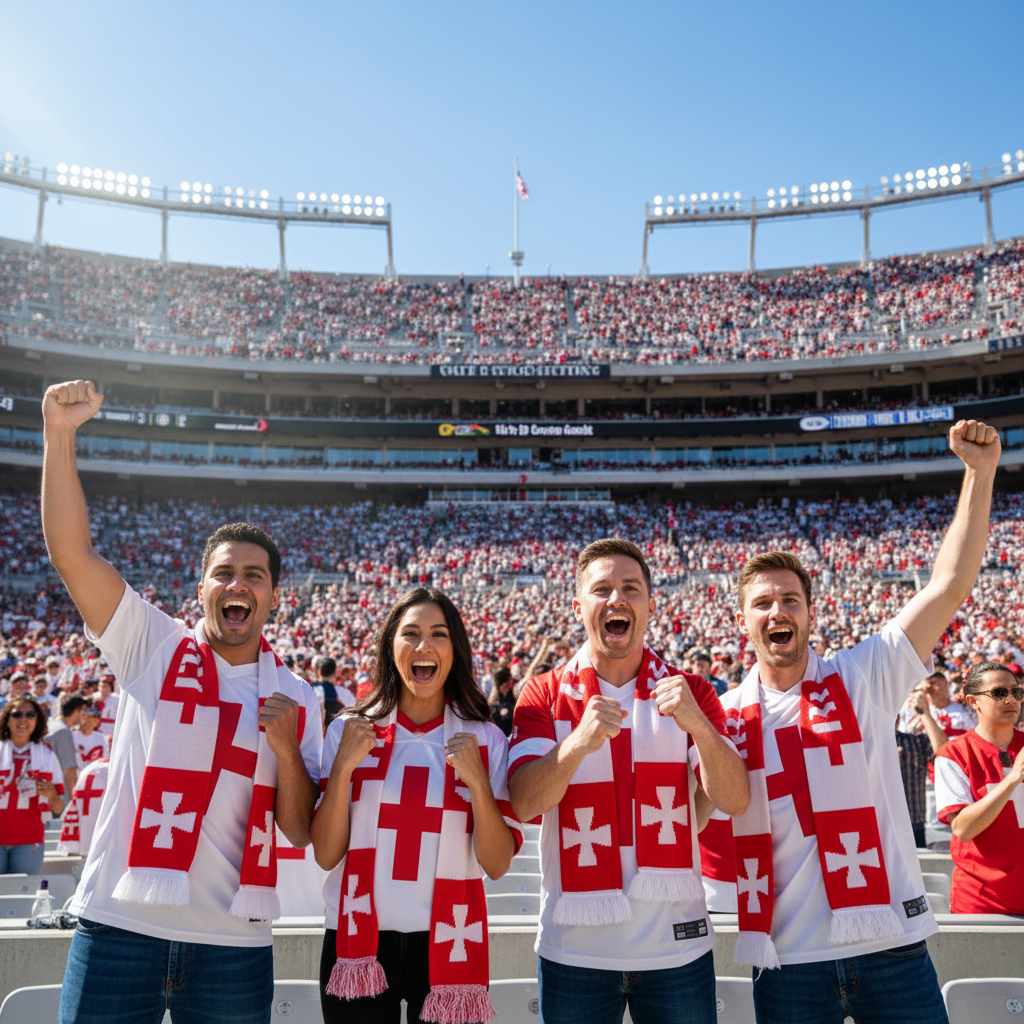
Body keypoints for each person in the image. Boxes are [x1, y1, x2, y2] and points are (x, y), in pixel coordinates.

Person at [40, 378, 323, 1024]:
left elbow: (301, 828)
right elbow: (72, 556)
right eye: (224, 572)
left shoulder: (297, 697)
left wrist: (283, 751)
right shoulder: (152, 646)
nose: (238, 584)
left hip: (233, 944)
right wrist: (59, 435)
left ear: (275, 597)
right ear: (200, 589)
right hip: (117, 925)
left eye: (254, 575)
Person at [721, 418, 1000, 1024]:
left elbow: (948, 587)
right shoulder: (723, 720)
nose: (778, 611)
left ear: (811, 614)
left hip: (892, 949)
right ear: (743, 621)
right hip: (788, 958)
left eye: (790, 599)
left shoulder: (863, 674)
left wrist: (979, 476)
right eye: (763, 603)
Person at [508, 538, 750, 1024]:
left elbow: (734, 799)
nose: (617, 600)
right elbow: (524, 803)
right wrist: (577, 742)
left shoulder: (692, 690)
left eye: (631, 588)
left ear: (651, 605)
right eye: (602, 590)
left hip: (677, 952)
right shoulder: (543, 691)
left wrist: (697, 725)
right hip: (573, 953)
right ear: (580, 608)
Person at [312, 587, 521, 1024]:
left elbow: (497, 864)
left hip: (450, 940)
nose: (424, 646)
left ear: (455, 649)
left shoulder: (486, 740)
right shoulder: (350, 732)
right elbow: (327, 854)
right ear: (391, 646)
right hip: (358, 941)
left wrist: (479, 785)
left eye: (438, 634)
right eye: (410, 633)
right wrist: (345, 769)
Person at [934, 661, 1024, 913]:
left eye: (1016, 692)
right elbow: (963, 828)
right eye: (999, 693)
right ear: (973, 701)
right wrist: (1012, 779)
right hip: (983, 904)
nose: (1011, 700)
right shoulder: (954, 754)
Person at [0, 694, 65, 874]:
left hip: (29, 843)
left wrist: (51, 794)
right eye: (16, 714)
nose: (23, 719)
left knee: (22, 900)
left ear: (37, 721)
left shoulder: (47, 756)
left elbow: (59, 808)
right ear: (7, 720)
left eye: (30, 715)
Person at [896, 678, 953, 849]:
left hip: (913, 823)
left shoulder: (911, 741)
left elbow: (944, 751)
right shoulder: (865, 742)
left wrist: (924, 713)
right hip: (878, 822)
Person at [47, 694, 88, 794]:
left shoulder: (50, 723)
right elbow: (69, 771)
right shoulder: (63, 732)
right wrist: (75, 801)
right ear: (77, 711)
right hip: (57, 793)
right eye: (84, 711)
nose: (85, 715)